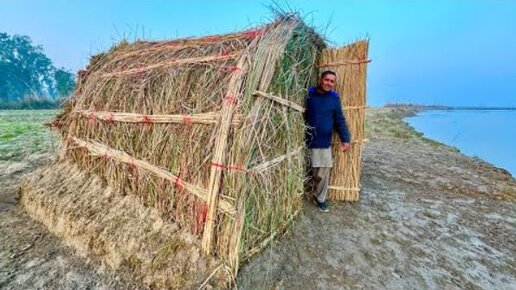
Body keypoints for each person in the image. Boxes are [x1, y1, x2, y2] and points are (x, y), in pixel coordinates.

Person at [305, 70, 351, 212]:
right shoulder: (309, 95)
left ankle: (320, 199)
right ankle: (306, 193)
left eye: (332, 81)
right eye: (327, 80)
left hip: (324, 143)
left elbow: (339, 120)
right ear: (320, 79)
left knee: (323, 173)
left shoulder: (334, 99)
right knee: (309, 170)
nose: (329, 83)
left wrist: (345, 139)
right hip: (307, 141)